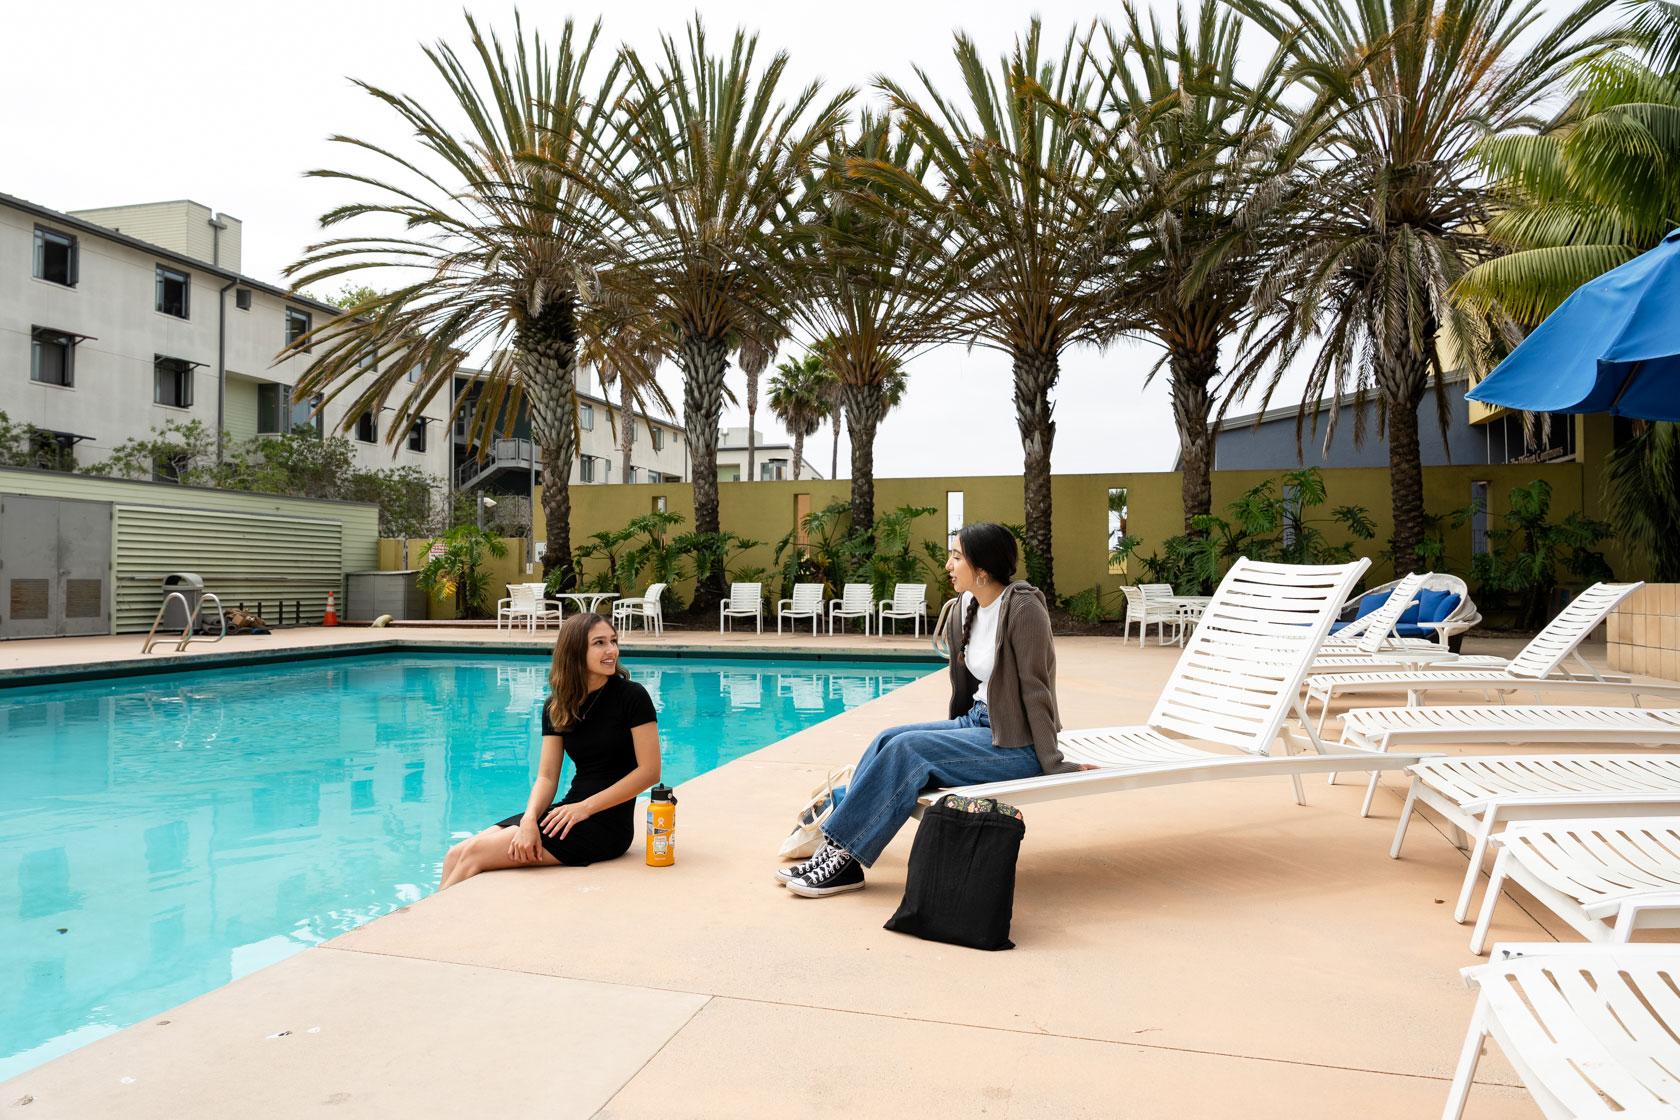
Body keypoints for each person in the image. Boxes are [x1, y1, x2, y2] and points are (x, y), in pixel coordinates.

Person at [776, 522, 1078, 898]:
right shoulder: (969, 606)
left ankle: (844, 860)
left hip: (1017, 742)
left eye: (956, 557)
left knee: (910, 751)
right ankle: (837, 848)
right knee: (889, 738)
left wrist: (1050, 758)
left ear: (982, 569)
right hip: (979, 723)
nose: (948, 565)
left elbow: (1037, 687)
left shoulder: (1023, 608)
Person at [439, 613, 660, 889]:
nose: (611, 651)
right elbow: (546, 777)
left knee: (474, 855)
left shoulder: (632, 696)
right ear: (576, 651)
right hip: (566, 812)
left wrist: (584, 808)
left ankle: (429, 930)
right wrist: (529, 819)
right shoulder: (557, 706)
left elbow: (649, 772)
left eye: (613, 641)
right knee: (455, 853)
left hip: (604, 824)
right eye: (600, 643)